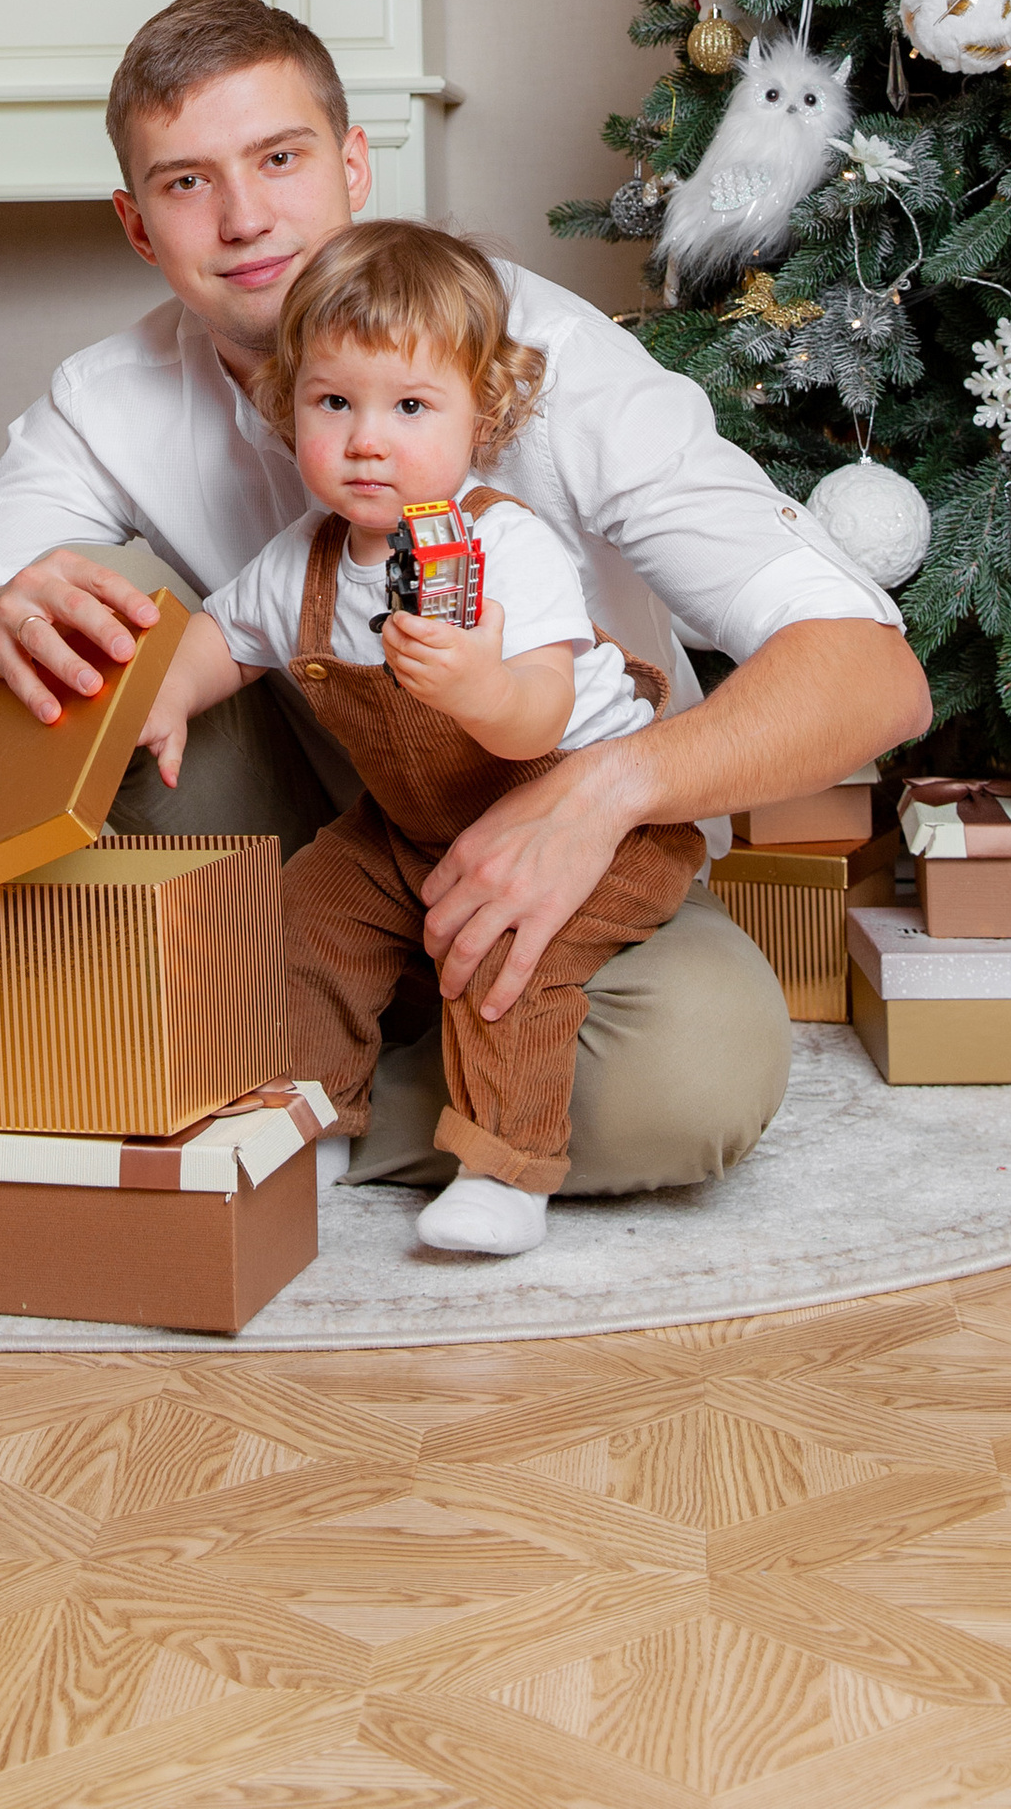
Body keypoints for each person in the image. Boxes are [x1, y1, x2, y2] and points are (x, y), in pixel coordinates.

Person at [0, 0, 928, 1329]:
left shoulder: (558, 365)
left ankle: (190, 1085)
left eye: (282, 160)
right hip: (321, 829)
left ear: (354, 167)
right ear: (138, 223)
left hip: (573, 848)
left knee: (697, 1073)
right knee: (68, 640)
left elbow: (875, 674)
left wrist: (601, 795)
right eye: (189, 183)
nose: (246, 221)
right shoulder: (109, 398)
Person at [142, 221, 707, 1261]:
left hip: (579, 815)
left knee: (504, 957)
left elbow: (538, 710)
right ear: (288, 409)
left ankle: (504, 1168)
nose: (367, 439)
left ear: (480, 415)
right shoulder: (303, 562)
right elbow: (223, 638)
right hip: (413, 827)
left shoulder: (503, 544)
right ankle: (305, 1118)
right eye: (333, 404)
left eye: (409, 406)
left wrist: (480, 686)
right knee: (306, 918)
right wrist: (169, 694)